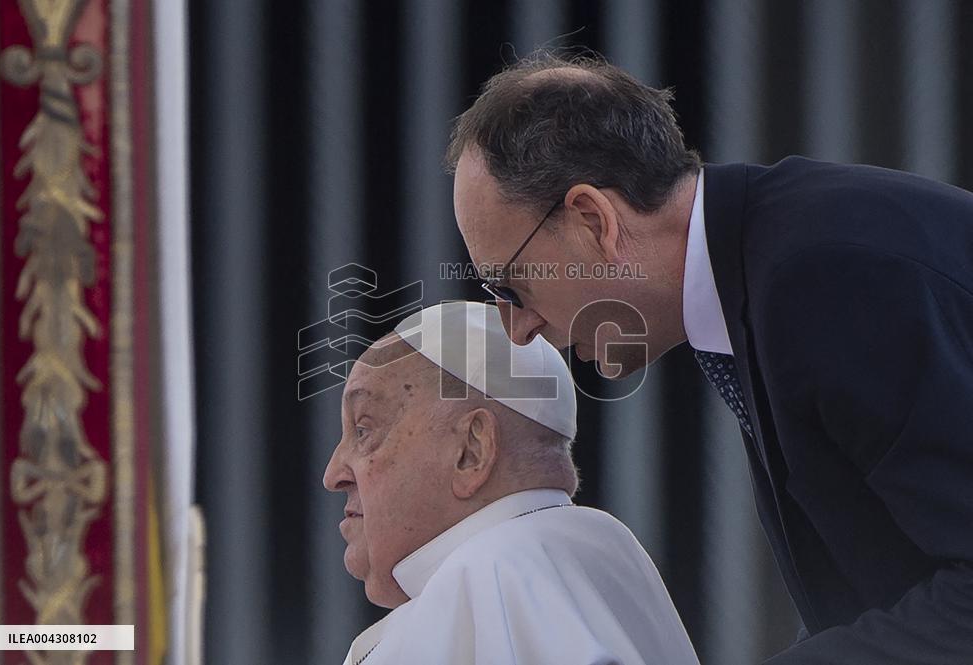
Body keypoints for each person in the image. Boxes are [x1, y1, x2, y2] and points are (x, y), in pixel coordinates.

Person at [448, 53, 973, 664]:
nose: (518, 329)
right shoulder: (769, 260)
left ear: (593, 220)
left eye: (510, 286)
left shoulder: (824, 277)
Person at [323, 301, 700, 665]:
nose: (333, 474)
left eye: (363, 429)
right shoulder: (591, 550)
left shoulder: (499, 569)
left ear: (471, 451)